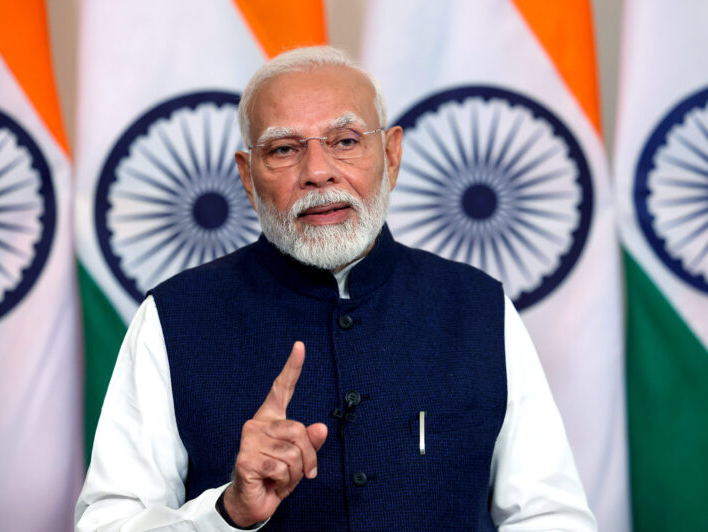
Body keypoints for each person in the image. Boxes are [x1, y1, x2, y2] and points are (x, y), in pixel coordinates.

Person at [75, 46, 597, 531]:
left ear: (391, 156)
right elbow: (106, 524)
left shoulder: (477, 306)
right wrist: (226, 513)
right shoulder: (175, 317)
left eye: (345, 141)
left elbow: (551, 515)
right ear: (247, 177)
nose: (318, 172)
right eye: (283, 149)